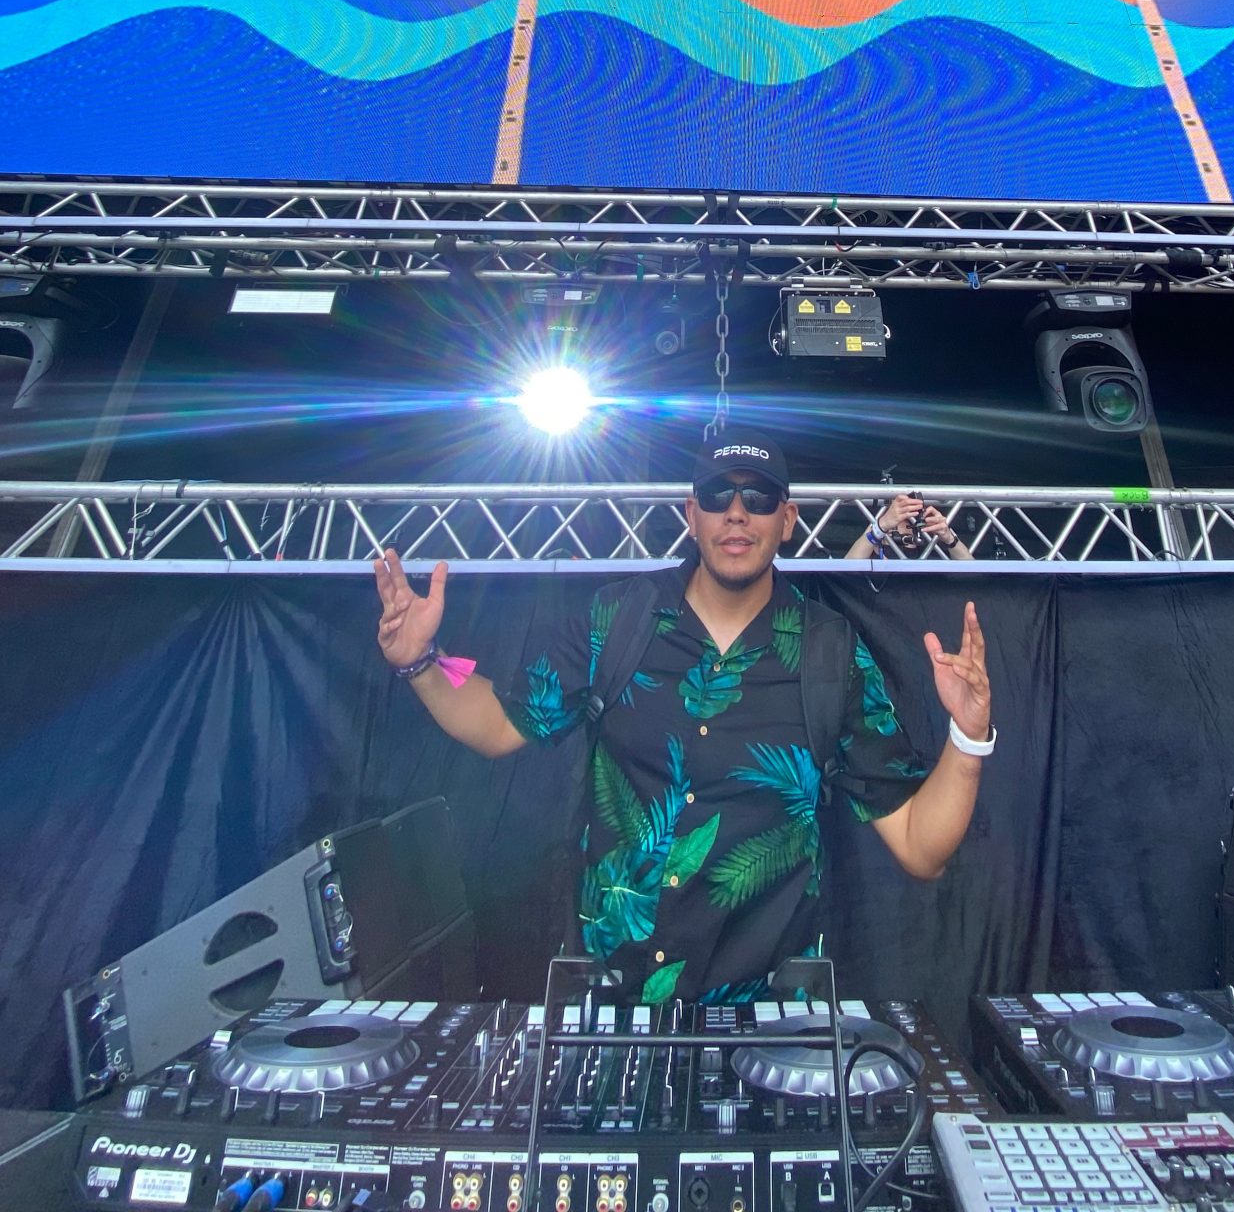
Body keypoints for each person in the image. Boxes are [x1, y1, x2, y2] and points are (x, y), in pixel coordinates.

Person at [374, 430, 994, 1005]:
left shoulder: (829, 652)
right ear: (690, 514)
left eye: (759, 498)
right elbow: (498, 724)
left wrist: (968, 736)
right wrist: (421, 663)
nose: (737, 512)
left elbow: (920, 847)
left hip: (768, 1023)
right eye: (718, 495)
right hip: (614, 1008)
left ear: (787, 521)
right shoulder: (616, 619)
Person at [846, 493, 974, 561]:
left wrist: (949, 538)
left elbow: (973, 573)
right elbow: (846, 568)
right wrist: (881, 526)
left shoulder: (932, 538)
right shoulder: (877, 526)